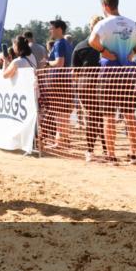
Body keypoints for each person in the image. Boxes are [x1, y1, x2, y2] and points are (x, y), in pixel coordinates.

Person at [89, 0, 136, 164]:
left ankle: (111, 155)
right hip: (127, 73)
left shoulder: (103, 24)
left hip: (109, 74)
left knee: (109, 116)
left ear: (104, 6)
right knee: (129, 114)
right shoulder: (131, 23)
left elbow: (92, 41)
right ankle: (133, 153)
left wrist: (104, 52)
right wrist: (134, 51)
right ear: (117, 4)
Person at [73, 15, 105, 161]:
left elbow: (75, 72)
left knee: (93, 117)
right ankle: (105, 149)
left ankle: (91, 151)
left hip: (85, 84)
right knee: (102, 117)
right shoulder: (109, 44)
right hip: (103, 83)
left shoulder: (80, 46)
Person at [41, 18, 74, 151]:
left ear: (59, 29)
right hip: (65, 82)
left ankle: (60, 142)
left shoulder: (60, 43)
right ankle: (63, 140)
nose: (50, 30)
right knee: (63, 114)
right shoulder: (66, 43)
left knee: (60, 114)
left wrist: (48, 63)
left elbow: (59, 63)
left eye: (52, 28)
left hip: (58, 83)